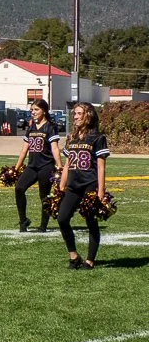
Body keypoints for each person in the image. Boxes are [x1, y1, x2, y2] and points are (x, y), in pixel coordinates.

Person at [57, 102, 110, 270]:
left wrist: (100, 191)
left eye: (79, 113)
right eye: (75, 114)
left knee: (91, 222)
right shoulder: (71, 137)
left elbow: (101, 166)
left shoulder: (97, 137)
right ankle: (73, 255)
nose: (76, 117)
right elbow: (67, 165)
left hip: (90, 185)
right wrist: (61, 186)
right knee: (62, 218)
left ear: (88, 116)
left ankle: (90, 260)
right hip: (73, 186)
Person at [13, 100, 62, 232]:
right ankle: (23, 221)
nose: (33, 112)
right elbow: (24, 150)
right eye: (32, 110)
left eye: (36, 110)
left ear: (44, 111)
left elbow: (55, 149)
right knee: (19, 188)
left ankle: (43, 225)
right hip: (32, 166)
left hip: (46, 166)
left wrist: (59, 167)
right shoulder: (31, 127)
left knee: (44, 195)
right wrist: (16, 168)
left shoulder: (51, 127)